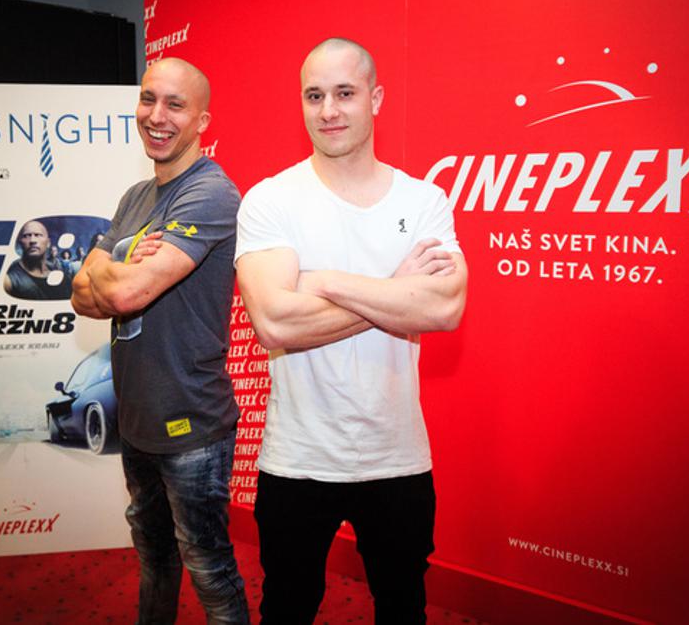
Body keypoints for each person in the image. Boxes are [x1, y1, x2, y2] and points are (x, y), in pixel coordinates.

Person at [235, 37, 468, 624]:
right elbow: (274, 321)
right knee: (287, 609)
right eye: (314, 96)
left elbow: (444, 309)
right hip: (299, 458)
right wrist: (396, 290)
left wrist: (324, 281)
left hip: (396, 456)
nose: (329, 110)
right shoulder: (270, 200)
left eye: (345, 93)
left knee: (403, 608)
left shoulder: (424, 200)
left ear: (376, 98)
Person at [71, 57, 249, 625]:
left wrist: (107, 265)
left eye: (175, 104)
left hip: (190, 423)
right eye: (148, 99)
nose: (157, 116)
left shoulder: (212, 194)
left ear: (202, 120)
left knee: (210, 569)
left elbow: (124, 294)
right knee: (154, 559)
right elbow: (80, 294)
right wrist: (123, 262)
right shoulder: (135, 198)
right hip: (137, 419)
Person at [4, 220, 72, 300]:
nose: (32, 240)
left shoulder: (58, 270)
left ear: (48, 243)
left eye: (38, 235)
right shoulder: (10, 279)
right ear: (20, 243)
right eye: (26, 236)